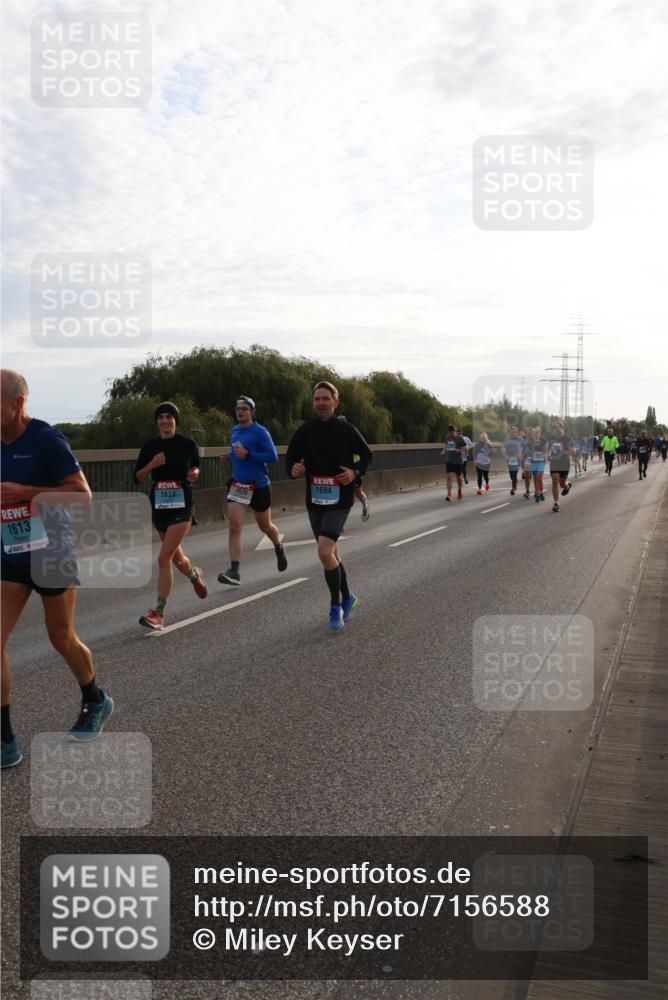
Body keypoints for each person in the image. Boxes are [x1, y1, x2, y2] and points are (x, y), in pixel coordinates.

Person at [1, 370, 114, 767]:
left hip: (51, 555)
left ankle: (95, 699)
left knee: (61, 637)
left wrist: (28, 493)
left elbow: (82, 496)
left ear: (17, 403)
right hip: (11, 555)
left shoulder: (46, 438)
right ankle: (5, 739)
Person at [286, 381, 372, 631]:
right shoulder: (305, 431)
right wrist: (293, 469)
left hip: (340, 499)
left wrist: (355, 473)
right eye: (317, 399)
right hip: (315, 499)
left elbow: (367, 455)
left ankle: (335, 607)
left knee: (324, 553)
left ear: (335, 401)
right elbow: (290, 456)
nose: (321, 403)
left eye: (326, 398)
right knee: (332, 554)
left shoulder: (346, 429)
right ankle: (348, 597)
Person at [134, 402, 206, 630]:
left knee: (163, 558)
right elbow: (138, 477)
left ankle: (159, 612)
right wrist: (152, 464)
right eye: (161, 417)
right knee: (176, 558)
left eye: (169, 417)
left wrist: (195, 473)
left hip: (182, 507)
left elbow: (195, 469)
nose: (165, 421)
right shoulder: (150, 447)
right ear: (157, 421)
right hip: (159, 508)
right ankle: (194, 575)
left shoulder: (187, 444)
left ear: (176, 420)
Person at [217, 396, 287, 585]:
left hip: (259, 486)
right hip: (239, 485)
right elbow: (237, 452)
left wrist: (248, 455)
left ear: (252, 412)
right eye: (238, 408)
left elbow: (273, 457)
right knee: (234, 526)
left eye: (244, 408)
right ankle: (234, 571)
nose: (240, 411)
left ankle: (278, 545)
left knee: (265, 526)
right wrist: (230, 456)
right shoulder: (234, 431)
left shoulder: (260, 432)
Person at [336, 417, 369, 521]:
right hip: (341, 472)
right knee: (341, 497)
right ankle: (339, 522)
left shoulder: (353, 438)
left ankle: (365, 507)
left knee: (357, 493)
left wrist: (356, 471)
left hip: (354, 471)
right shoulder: (335, 439)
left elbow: (364, 455)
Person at [546, 420, 575, 513]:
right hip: (554, 463)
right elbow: (549, 449)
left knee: (561, 484)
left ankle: (566, 485)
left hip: (564, 464)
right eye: (556, 428)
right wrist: (549, 455)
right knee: (555, 480)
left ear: (562, 429)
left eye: (559, 427)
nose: (557, 429)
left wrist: (563, 452)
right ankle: (556, 503)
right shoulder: (551, 438)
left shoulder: (568, 439)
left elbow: (573, 451)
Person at [440, 425, 467, 501]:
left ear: (454, 431)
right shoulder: (447, 438)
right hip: (449, 460)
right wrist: (443, 451)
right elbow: (446, 446)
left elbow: (465, 448)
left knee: (459, 478)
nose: (451, 435)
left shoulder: (460, 438)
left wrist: (459, 450)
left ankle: (459, 491)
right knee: (449, 477)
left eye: (452, 433)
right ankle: (449, 495)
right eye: (449, 433)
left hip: (458, 461)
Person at [501, 426, 523, 495]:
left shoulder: (520, 439)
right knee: (511, 474)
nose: (513, 432)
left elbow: (523, 447)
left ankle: (513, 487)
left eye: (515, 431)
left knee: (514, 472)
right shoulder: (507, 439)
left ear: (517, 432)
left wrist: (520, 454)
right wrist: (504, 454)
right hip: (509, 458)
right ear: (510, 432)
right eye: (512, 431)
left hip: (517, 458)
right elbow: (503, 447)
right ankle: (514, 484)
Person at [528, 427, 546, 503]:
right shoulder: (531, 442)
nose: (536, 433)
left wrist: (544, 454)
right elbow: (529, 451)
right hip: (533, 462)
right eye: (535, 432)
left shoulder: (543, 441)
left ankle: (541, 492)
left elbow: (545, 450)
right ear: (533, 433)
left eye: (538, 432)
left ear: (540, 433)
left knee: (539, 477)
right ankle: (537, 494)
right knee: (535, 479)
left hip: (541, 462)